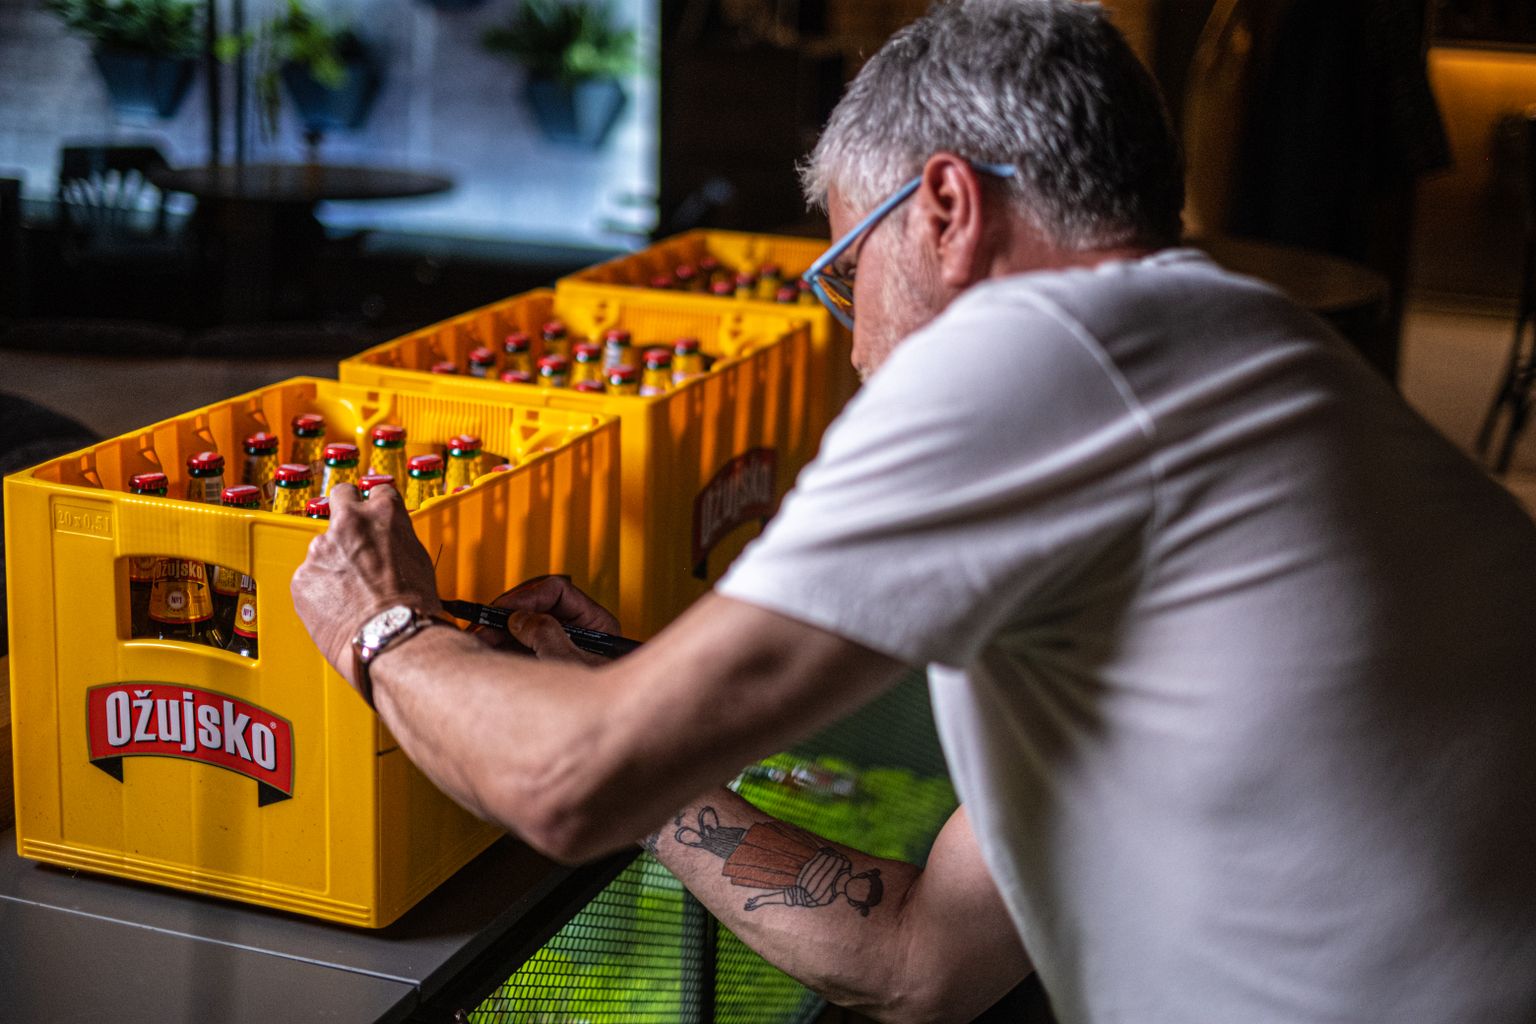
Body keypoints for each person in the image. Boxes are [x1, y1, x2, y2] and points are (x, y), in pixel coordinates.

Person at [292, 2, 1536, 1022]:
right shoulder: (1261, 353)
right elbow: (919, 959)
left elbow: (563, 784)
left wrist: (381, 624)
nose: (852, 352)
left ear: (946, 208)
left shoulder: (1038, 350)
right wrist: (649, 756)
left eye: (845, 275)